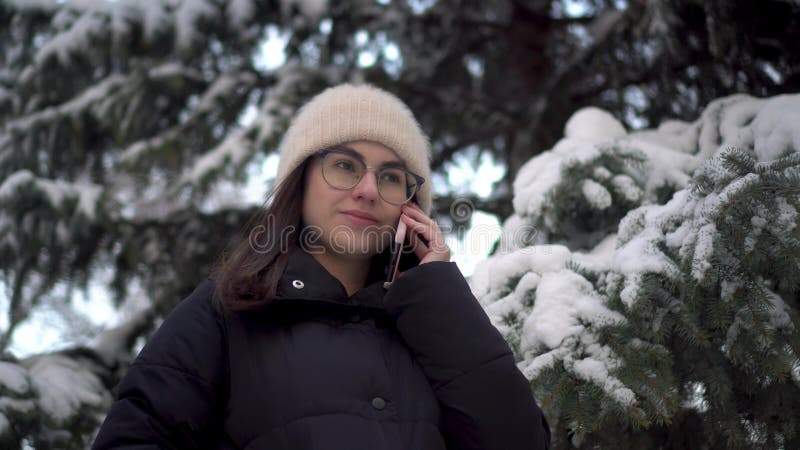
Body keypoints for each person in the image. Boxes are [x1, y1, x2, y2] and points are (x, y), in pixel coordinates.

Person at [92, 83, 551, 449]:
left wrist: (437, 290)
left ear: (410, 209)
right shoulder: (225, 313)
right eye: (345, 166)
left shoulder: (435, 325)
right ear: (301, 180)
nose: (368, 190)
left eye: (391, 176)